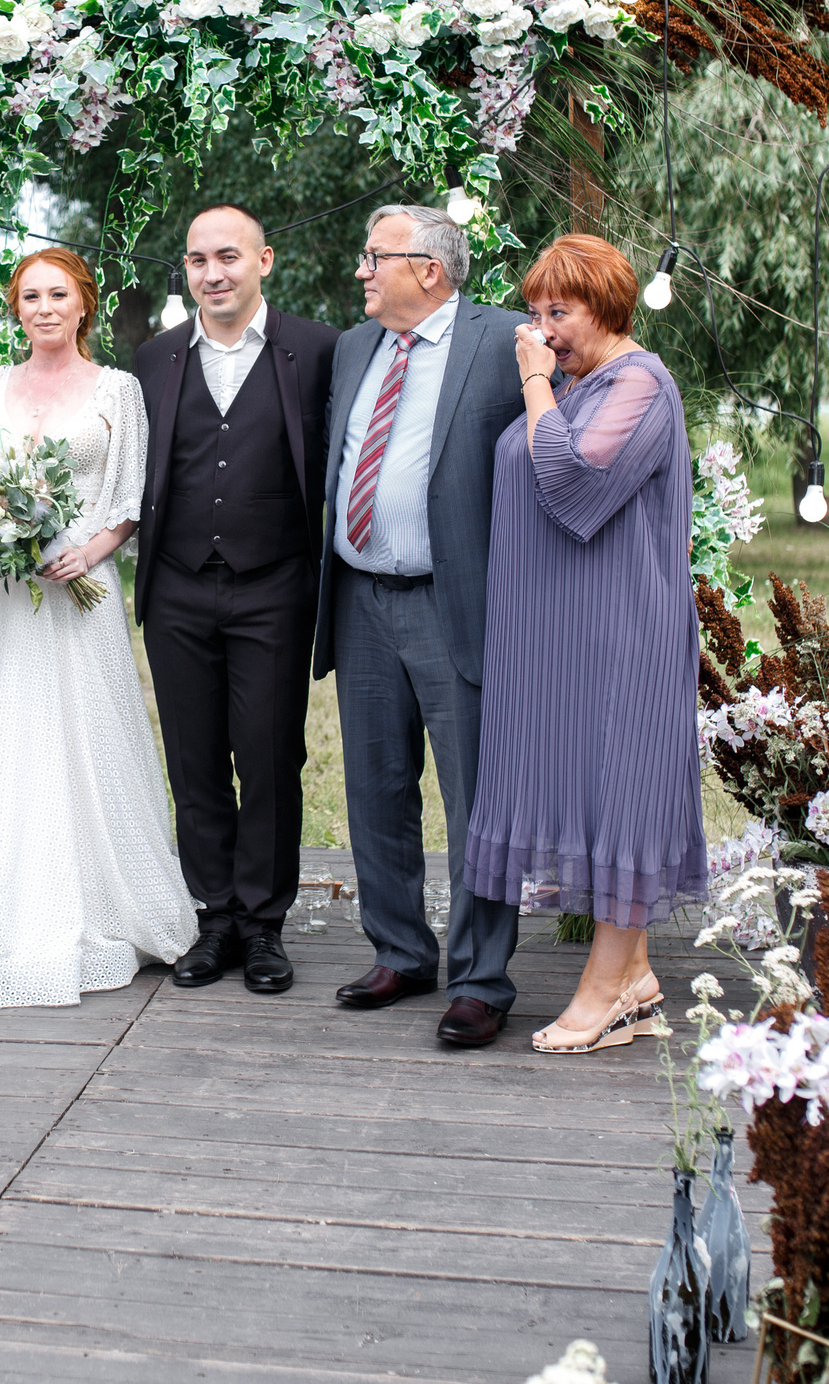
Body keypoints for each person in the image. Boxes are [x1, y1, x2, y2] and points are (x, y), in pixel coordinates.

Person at [0, 247, 198, 1009]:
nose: (44, 307)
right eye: (29, 296)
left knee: (91, 735)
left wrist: (90, 551)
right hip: (9, 601)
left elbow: (130, 500)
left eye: (58, 294)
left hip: (80, 586)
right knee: (13, 739)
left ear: (85, 304)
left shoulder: (117, 389)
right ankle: (12, 918)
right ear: (14, 307)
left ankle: (112, 912)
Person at [467, 233, 707, 1052]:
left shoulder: (639, 381)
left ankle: (603, 993)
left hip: (620, 633)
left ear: (604, 307)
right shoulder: (578, 384)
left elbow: (570, 478)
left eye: (558, 312)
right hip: (558, 637)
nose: (540, 329)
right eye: (533, 313)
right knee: (592, 795)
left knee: (622, 800)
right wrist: (547, 380)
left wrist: (534, 379)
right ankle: (635, 977)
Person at [313, 204, 528, 1049]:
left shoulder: (505, 342)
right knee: (374, 783)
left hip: (456, 601)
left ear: (428, 269)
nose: (362, 271)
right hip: (362, 595)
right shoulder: (354, 347)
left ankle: (482, 979)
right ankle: (400, 949)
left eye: (376, 257)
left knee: (475, 796)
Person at [131, 204, 338, 994]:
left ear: (264, 260)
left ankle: (264, 923)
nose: (212, 273)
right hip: (178, 586)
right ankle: (213, 915)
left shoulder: (316, 350)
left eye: (227, 257)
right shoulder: (153, 359)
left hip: (275, 588)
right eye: (196, 260)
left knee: (270, 756)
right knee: (194, 760)